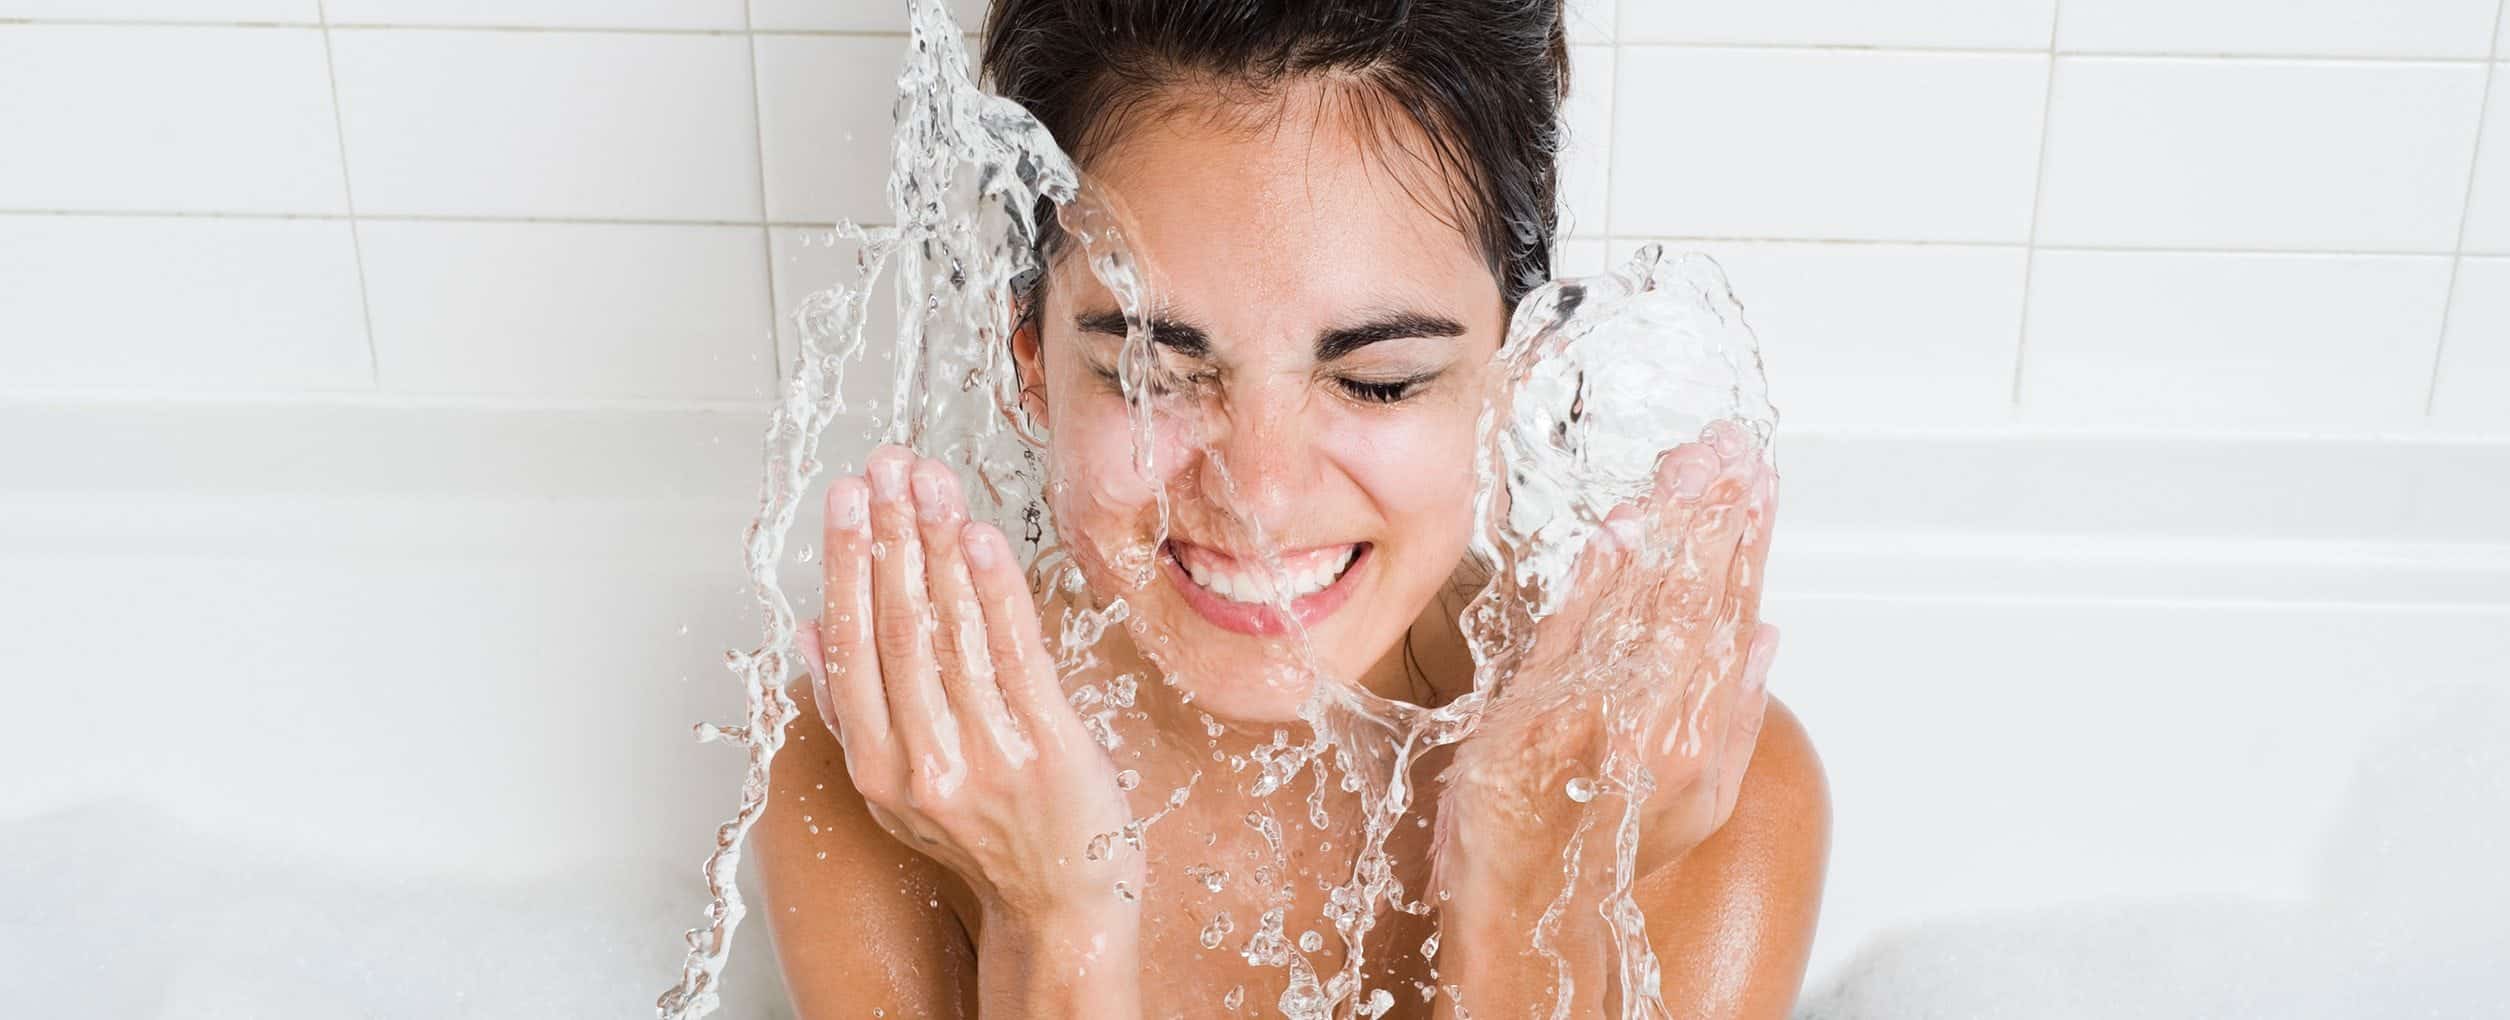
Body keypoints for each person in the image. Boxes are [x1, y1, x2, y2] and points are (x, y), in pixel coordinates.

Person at [753, 1, 1830, 1015]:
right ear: (1028, 362)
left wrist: (1528, 899)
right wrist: (1053, 917)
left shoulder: (1672, 781)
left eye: (1379, 380)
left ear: (1520, 368)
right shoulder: (913, 763)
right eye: (1157, 371)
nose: (1259, 495)